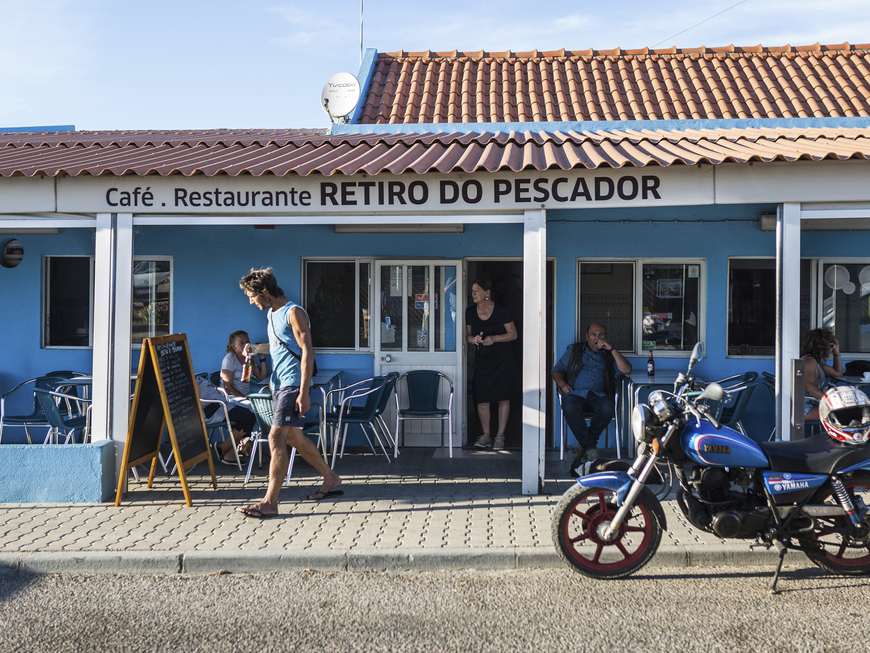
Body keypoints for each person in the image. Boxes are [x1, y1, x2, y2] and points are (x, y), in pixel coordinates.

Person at [236, 267, 342, 519]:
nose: (250, 301)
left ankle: (269, 502)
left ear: (263, 291)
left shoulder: (294, 312)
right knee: (294, 438)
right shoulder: (272, 314)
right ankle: (331, 477)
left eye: (252, 295)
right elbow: (280, 347)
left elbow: (307, 351)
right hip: (278, 384)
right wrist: (256, 348)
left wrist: (304, 392)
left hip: (293, 385)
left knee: (275, 438)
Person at [552, 323, 632, 477]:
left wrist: (612, 349)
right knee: (569, 406)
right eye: (593, 334)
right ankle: (590, 448)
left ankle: (584, 446)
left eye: (601, 334)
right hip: (575, 393)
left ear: (605, 337)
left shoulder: (609, 354)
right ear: (587, 337)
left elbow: (627, 370)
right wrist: (562, 384)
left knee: (608, 408)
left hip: (599, 394)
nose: (597, 338)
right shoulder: (574, 350)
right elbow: (557, 370)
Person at [465, 279, 518, 450]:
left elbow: (513, 334)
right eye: (472, 290)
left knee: (503, 397)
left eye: (477, 290)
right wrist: (474, 339)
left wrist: (494, 338)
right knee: (482, 399)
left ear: (487, 293)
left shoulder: (502, 311)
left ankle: (500, 436)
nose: (473, 293)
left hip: (503, 361)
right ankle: (486, 435)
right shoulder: (470, 312)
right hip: (483, 361)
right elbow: (468, 336)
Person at [195, 376, 256, 465]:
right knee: (247, 417)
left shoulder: (195, 377)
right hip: (213, 410)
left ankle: (229, 455)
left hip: (222, 404)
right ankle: (224, 448)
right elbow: (197, 397)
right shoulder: (187, 379)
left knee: (249, 413)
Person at [802, 327, 844, 422]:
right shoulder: (809, 362)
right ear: (822, 346)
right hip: (804, 409)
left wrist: (836, 352)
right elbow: (808, 386)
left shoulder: (815, 361)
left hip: (813, 404)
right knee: (844, 412)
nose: (831, 348)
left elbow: (838, 373)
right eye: (831, 345)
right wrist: (829, 400)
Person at [221, 330, 268, 399]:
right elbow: (228, 387)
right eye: (242, 343)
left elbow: (262, 378)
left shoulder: (250, 358)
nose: (246, 345)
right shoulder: (230, 359)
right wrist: (245, 398)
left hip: (246, 394)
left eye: (247, 341)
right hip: (232, 398)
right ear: (234, 346)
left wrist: (261, 357)